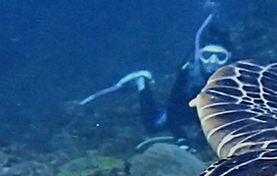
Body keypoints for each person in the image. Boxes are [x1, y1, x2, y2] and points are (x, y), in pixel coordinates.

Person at [79, 13, 232, 144]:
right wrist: (180, 137)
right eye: (206, 55)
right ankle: (142, 83)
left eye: (220, 57)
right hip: (185, 108)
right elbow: (174, 108)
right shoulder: (189, 74)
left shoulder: (233, 75)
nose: (212, 61)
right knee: (152, 126)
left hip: (207, 113)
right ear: (199, 55)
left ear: (229, 58)